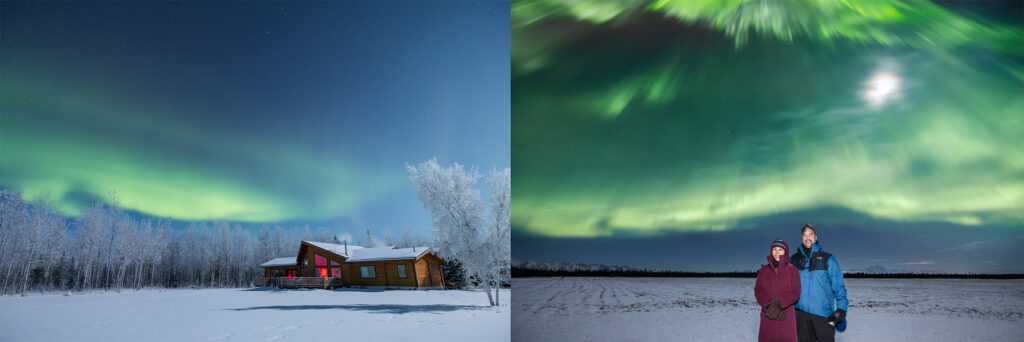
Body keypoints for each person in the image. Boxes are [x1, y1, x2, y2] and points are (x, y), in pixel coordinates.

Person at [790, 224, 848, 342]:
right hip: (800, 314)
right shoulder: (793, 259)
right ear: (801, 238)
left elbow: (838, 285)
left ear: (815, 237)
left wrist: (842, 308)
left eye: (810, 234)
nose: (807, 237)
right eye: (804, 235)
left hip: (824, 314)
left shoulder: (828, 258)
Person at [755, 238, 801, 342]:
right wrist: (767, 304)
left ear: (785, 251)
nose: (777, 252)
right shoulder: (763, 270)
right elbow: (758, 290)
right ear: (771, 251)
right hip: (768, 314)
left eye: (780, 249)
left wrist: (779, 303)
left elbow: (795, 292)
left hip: (785, 315)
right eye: (774, 249)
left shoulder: (792, 270)